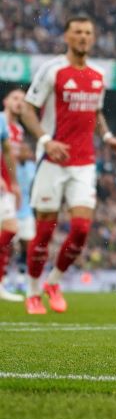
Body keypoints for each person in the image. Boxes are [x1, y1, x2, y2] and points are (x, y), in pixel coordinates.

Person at [19, 16, 116, 314]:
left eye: (88, 33)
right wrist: (45, 141)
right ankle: (32, 291)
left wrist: (107, 136)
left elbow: (97, 111)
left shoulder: (98, 75)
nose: (83, 37)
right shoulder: (52, 70)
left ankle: (54, 281)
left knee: (80, 229)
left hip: (84, 162)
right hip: (52, 161)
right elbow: (28, 108)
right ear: (66, 36)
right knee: (45, 231)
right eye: (77, 32)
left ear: (93, 38)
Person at [3, 89, 37, 289]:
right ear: (5, 101)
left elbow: (10, 159)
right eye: (15, 98)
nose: (19, 103)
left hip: (10, 190)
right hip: (3, 186)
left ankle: (7, 278)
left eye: (23, 101)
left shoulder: (18, 130)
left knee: (11, 234)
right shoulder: (0, 121)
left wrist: (13, 183)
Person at [0, 114, 21, 302]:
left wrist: (14, 182)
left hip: (4, 187)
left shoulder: (2, 123)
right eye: (15, 98)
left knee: (11, 229)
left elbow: (7, 152)